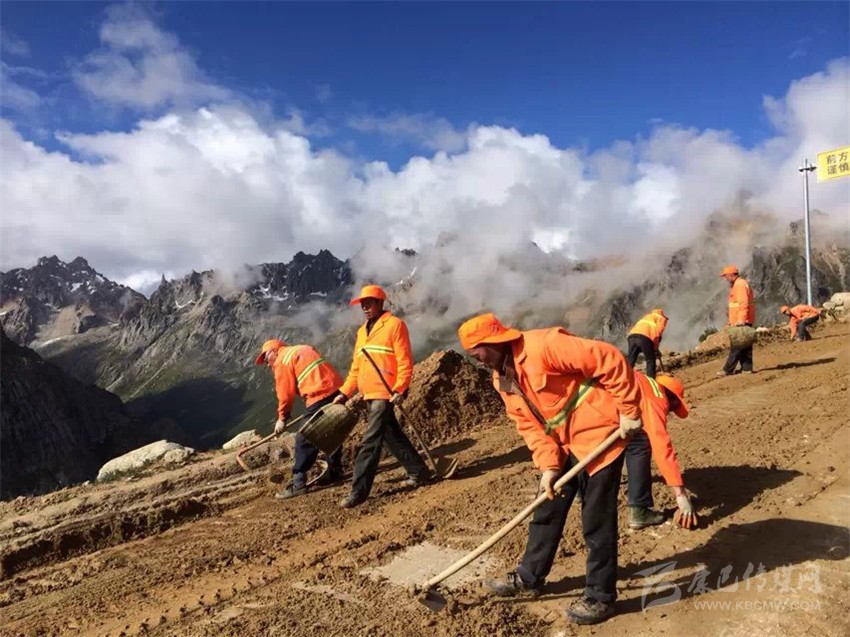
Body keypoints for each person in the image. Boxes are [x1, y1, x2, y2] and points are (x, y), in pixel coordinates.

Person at [458, 313, 642, 625]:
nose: (474, 358)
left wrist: (628, 409)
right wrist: (549, 467)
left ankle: (600, 596)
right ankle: (529, 577)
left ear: (493, 342)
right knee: (547, 507)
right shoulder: (502, 380)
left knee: (596, 518)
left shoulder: (544, 345)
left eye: (476, 351)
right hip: (564, 443)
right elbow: (530, 428)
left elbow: (608, 358)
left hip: (600, 433)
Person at [333, 284, 431, 508]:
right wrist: (344, 393)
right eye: (362, 304)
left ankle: (358, 491)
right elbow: (356, 367)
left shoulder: (395, 325)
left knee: (370, 441)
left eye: (369, 303)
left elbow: (405, 361)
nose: (365, 307)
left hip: (385, 393)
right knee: (390, 435)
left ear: (380, 303)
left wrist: (400, 388)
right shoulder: (362, 332)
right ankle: (419, 471)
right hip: (368, 393)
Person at [254, 338, 346, 499]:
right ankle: (334, 471)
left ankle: (298, 483)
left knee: (305, 437)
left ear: (274, 351)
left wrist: (282, 418)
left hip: (319, 395)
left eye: (266, 358)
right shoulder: (301, 348)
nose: (267, 364)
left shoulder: (282, 361)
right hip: (337, 389)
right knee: (332, 431)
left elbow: (285, 394)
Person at [625, 372, 698, 530]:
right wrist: (680, 494)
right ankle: (638, 510)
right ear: (671, 397)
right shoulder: (657, 398)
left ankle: (581, 492)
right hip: (604, 409)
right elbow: (662, 447)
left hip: (592, 405)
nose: (669, 411)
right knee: (640, 445)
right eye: (673, 407)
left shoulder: (645, 381)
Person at [717, 265, 756, 376]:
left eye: (726, 276)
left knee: (737, 346)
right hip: (742, 320)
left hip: (741, 321)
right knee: (745, 345)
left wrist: (741, 320)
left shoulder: (740, 285)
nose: (725, 279)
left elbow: (743, 303)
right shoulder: (738, 284)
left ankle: (727, 369)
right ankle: (747, 368)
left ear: (731, 275)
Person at [626, 308, 668, 378]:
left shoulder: (647, 316)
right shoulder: (661, 318)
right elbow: (657, 334)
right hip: (644, 338)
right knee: (650, 360)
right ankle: (651, 380)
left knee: (631, 359)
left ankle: (625, 378)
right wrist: (655, 348)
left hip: (632, 337)